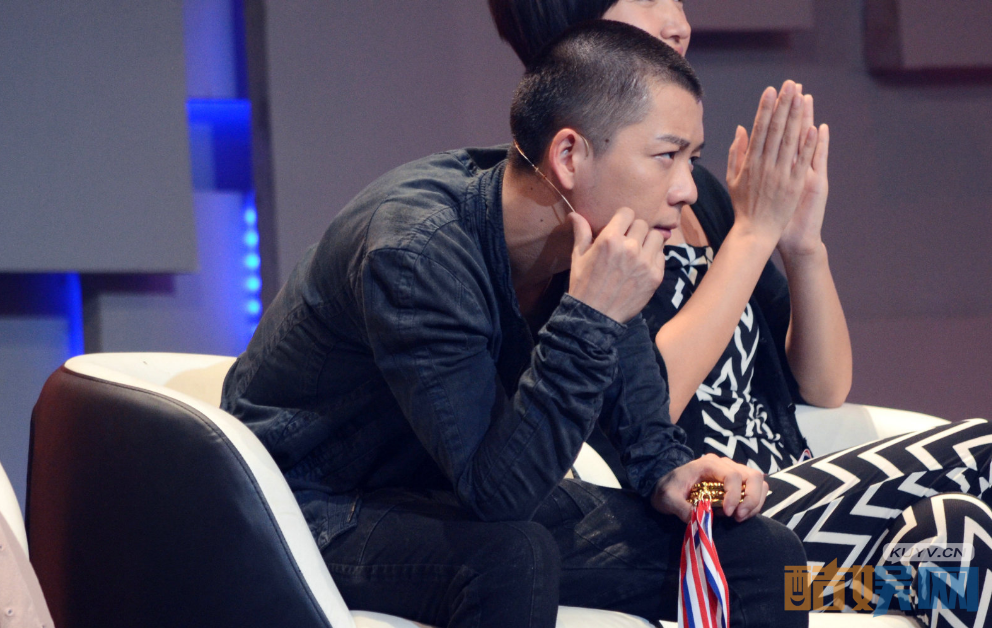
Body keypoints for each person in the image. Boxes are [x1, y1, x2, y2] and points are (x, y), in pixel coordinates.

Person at [222, 21, 809, 628]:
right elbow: (498, 495)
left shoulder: (591, 242)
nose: (687, 189)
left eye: (692, 159)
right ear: (569, 156)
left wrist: (683, 476)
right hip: (309, 506)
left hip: (438, 491)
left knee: (761, 552)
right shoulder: (416, 252)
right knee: (513, 557)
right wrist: (589, 317)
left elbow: (648, 441)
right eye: (666, 156)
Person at [489, 1, 992, 625]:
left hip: (793, 501)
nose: (678, 22)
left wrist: (800, 245)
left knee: (955, 540)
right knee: (983, 452)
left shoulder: (704, 199)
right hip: (702, 507)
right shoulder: (567, 218)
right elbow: (645, 412)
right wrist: (753, 234)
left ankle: (798, 593)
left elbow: (826, 387)